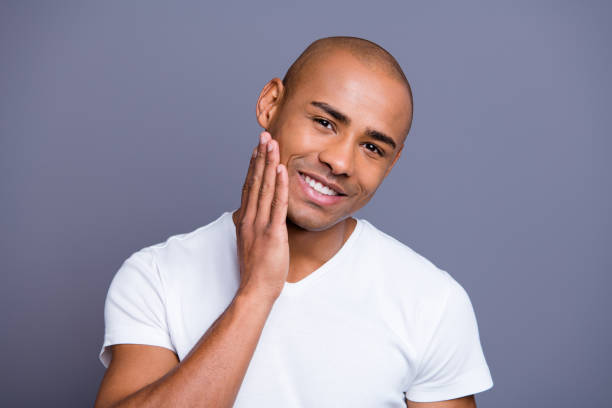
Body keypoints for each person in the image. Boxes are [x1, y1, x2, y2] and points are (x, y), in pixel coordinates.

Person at [94, 36, 493, 408]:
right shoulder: (156, 277)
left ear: (392, 163)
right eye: (324, 122)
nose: (340, 162)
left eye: (372, 147)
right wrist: (256, 294)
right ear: (270, 104)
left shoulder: (432, 301)